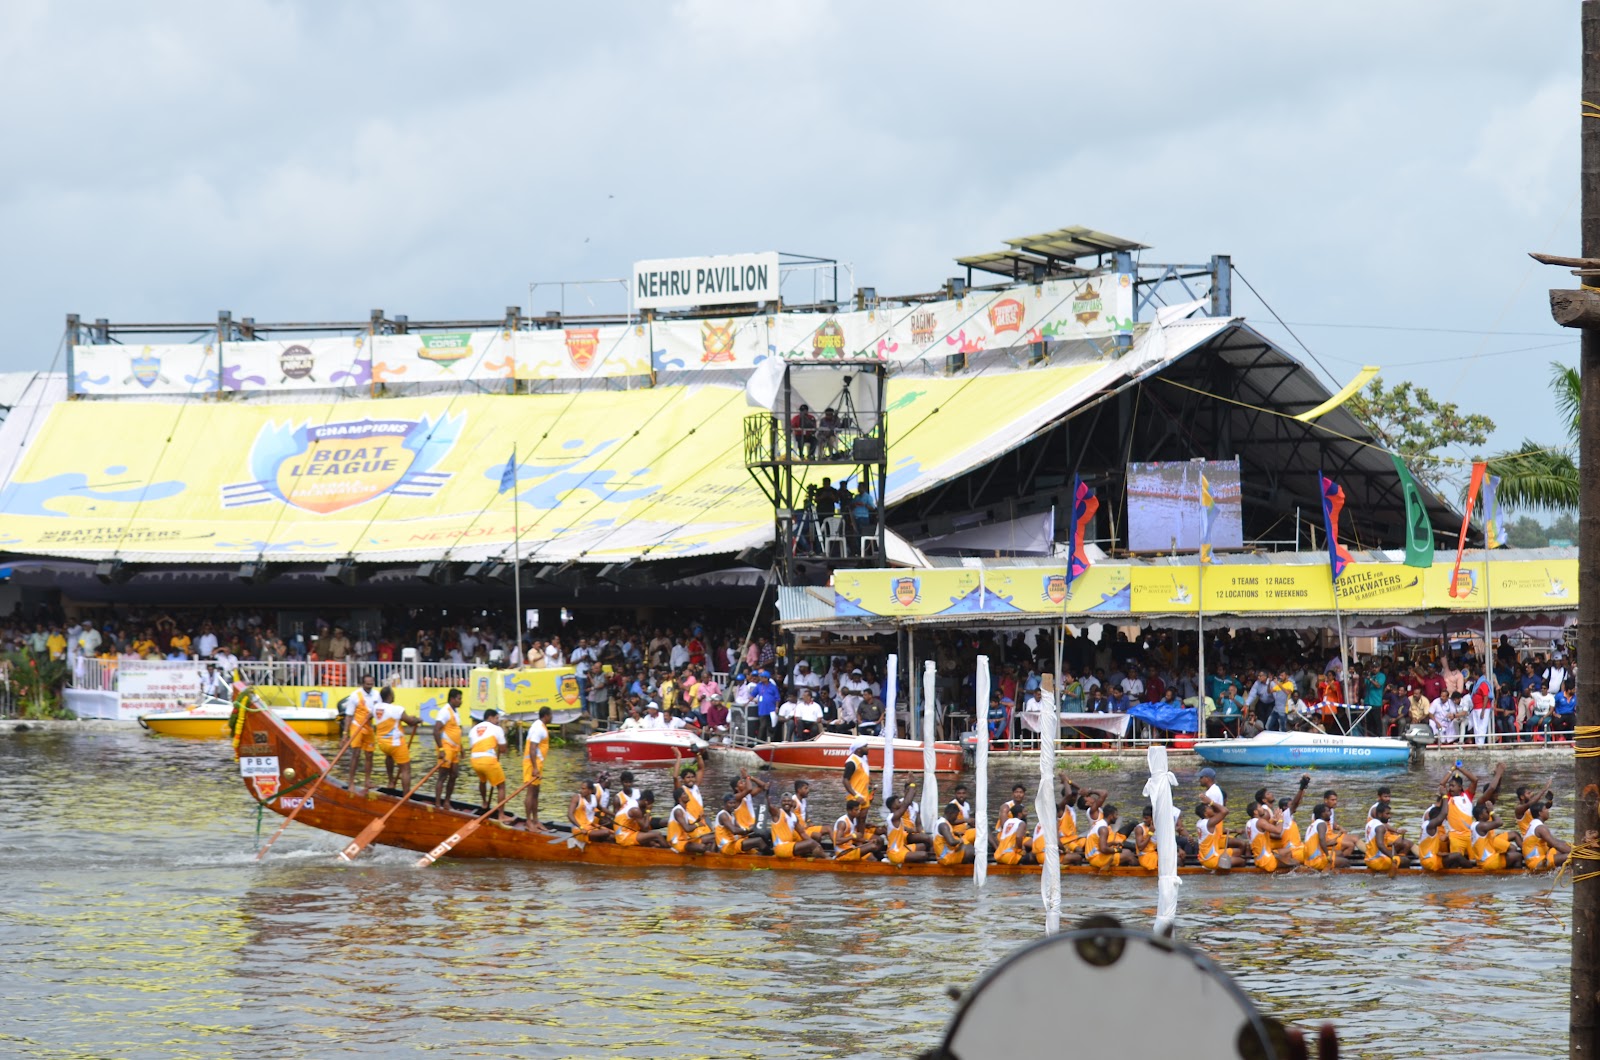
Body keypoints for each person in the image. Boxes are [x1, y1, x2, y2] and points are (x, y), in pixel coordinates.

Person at [372, 687, 420, 791]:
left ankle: (391, 783)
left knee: (389, 757)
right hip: (395, 744)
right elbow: (410, 722)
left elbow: (397, 718)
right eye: (393, 693)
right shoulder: (397, 709)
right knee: (406, 770)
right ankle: (406, 797)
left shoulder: (376, 707)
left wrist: (409, 718)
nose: (394, 695)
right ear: (389, 696)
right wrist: (418, 720)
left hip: (382, 744)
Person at [343, 674, 383, 793]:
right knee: (356, 754)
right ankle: (351, 782)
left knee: (369, 755)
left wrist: (374, 713)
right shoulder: (355, 696)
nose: (370, 686)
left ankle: (367, 781)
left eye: (371, 684)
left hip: (369, 727)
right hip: (357, 727)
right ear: (362, 684)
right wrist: (345, 734)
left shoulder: (377, 695)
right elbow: (349, 715)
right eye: (367, 684)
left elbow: (380, 710)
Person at [467, 709, 509, 820]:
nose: (498, 721)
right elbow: (504, 749)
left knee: (482, 780)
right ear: (490, 717)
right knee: (501, 786)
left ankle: (484, 803)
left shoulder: (473, 729)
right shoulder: (497, 729)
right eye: (496, 718)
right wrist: (504, 735)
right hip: (488, 760)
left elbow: (472, 747)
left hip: (474, 760)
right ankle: (501, 815)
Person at [432, 688, 464, 809]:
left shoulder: (455, 712)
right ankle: (438, 804)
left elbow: (456, 731)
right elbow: (435, 731)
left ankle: (447, 802)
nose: (461, 701)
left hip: (455, 749)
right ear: (452, 699)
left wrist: (461, 748)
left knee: (454, 774)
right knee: (443, 775)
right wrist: (441, 750)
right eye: (459, 699)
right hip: (446, 747)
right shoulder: (445, 711)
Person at [522, 707, 553, 831]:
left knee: (536, 793)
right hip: (531, 765)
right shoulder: (538, 728)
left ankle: (536, 821)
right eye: (551, 715)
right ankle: (528, 822)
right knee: (530, 793)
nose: (552, 718)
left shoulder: (541, 726)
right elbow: (532, 748)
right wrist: (534, 768)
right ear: (546, 716)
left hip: (538, 764)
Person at [767, 792, 825, 859]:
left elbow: (802, 833)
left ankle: (816, 858)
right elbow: (769, 807)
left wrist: (815, 844)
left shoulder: (794, 817)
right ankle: (828, 859)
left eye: (789, 801)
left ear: (792, 802)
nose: (786, 803)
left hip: (789, 846)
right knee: (812, 844)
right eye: (784, 801)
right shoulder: (778, 813)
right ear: (781, 803)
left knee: (812, 844)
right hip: (780, 848)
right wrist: (767, 796)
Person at [1470, 802, 1522, 870]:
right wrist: (1492, 811)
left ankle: (1506, 869)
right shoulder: (1481, 826)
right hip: (1488, 862)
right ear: (1481, 816)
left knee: (1510, 851)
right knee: (1518, 856)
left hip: (1487, 860)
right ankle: (1515, 875)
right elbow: (1499, 822)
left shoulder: (1476, 824)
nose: (1488, 813)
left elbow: (1496, 822)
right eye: (1486, 812)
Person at [885, 792, 931, 865]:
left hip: (903, 848)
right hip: (895, 853)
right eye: (898, 802)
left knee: (923, 846)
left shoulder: (896, 817)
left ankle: (911, 858)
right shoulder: (894, 817)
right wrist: (912, 786)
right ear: (893, 805)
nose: (901, 803)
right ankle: (908, 863)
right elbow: (907, 803)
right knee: (924, 855)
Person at [1523, 801, 1571, 871]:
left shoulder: (1534, 823)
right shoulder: (1540, 828)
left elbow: (1553, 842)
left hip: (1542, 856)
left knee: (1565, 848)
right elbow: (1556, 844)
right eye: (1545, 809)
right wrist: (1575, 851)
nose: (1548, 811)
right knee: (1572, 856)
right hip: (1536, 862)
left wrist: (1570, 845)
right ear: (1540, 813)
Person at [1362, 803, 1409, 872]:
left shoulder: (1370, 823)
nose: (1389, 816)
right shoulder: (1380, 827)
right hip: (1377, 862)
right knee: (1406, 861)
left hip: (1368, 860)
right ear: (1380, 814)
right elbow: (1380, 846)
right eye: (1387, 814)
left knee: (1395, 854)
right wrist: (1393, 857)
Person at [1084, 803, 1131, 869]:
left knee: (1127, 852)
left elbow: (1100, 845)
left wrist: (1113, 843)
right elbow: (1103, 849)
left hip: (1095, 855)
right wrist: (1116, 850)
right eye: (1116, 815)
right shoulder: (1103, 829)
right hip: (1095, 858)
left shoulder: (1100, 824)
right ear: (1110, 816)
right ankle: (1141, 873)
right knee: (1128, 856)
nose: (1117, 817)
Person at [668, 787, 713, 854]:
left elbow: (689, 826)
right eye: (684, 794)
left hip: (685, 840)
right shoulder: (678, 811)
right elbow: (687, 829)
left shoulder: (684, 810)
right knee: (702, 847)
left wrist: (698, 820)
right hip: (677, 842)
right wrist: (698, 824)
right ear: (679, 799)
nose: (687, 795)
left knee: (714, 836)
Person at [569, 779, 614, 843]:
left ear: (590, 791)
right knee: (606, 832)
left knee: (613, 836)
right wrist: (581, 828)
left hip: (590, 826)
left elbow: (602, 809)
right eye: (581, 788)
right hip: (579, 829)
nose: (581, 791)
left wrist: (614, 815)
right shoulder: (576, 798)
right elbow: (570, 815)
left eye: (583, 789)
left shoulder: (594, 798)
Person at [1196, 794, 1231, 871]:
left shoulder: (1200, 822)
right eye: (1209, 808)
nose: (1212, 809)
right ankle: (1221, 875)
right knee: (1241, 861)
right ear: (1205, 814)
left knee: (1237, 852)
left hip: (1207, 856)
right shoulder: (1209, 823)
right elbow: (1225, 811)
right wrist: (1210, 802)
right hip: (1211, 859)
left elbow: (1220, 812)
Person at [932, 802, 973, 866]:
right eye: (956, 816)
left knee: (967, 845)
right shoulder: (944, 825)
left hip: (946, 853)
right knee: (970, 850)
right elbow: (951, 842)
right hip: (945, 858)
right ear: (950, 814)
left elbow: (943, 836)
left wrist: (954, 833)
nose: (956, 818)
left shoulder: (941, 821)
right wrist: (960, 841)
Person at [842, 738, 872, 803]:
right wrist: (856, 796)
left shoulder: (864, 758)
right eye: (865, 746)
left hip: (865, 796)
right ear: (858, 750)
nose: (868, 748)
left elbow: (865, 774)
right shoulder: (851, 762)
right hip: (855, 798)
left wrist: (870, 787)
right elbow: (845, 780)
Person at [1134, 806, 1160, 871]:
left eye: (1146, 818)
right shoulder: (1139, 828)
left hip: (1155, 854)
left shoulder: (1159, 827)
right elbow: (1140, 847)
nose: (1144, 820)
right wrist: (1150, 833)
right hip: (1145, 856)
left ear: (1153, 819)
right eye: (1143, 818)